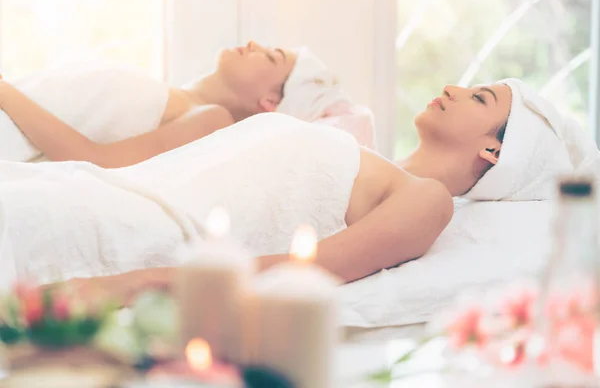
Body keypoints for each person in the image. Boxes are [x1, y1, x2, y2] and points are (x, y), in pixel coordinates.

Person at [4, 81, 513, 302]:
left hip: (131, 230)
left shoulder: (428, 198)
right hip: (101, 192)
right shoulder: (359, 150)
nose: (452, 88)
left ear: (493, 152)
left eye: (479, 98)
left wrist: (131, 283)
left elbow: (311, 269)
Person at [0, 41, 298, 167]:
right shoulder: (168, 93)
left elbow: (96, 160)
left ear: (270, 102)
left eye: (271, 56)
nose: (252, 43)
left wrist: (4, 90)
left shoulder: (211, 119)